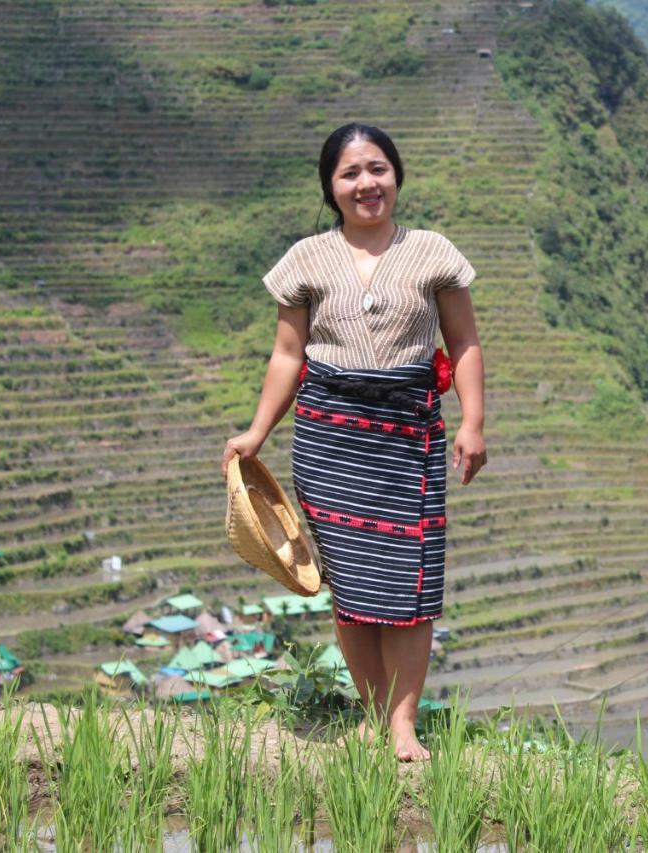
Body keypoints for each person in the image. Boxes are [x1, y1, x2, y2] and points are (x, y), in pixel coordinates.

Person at [222, 122, 486, 760]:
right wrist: (257, 432)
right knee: (355, 589)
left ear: (396, 175)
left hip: (407, 437)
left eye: (377, 169)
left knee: (411, 589)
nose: (366, 183)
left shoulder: (433, 253)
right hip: (329, 439)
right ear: (331, 187)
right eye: (350, 173)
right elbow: (288, 356)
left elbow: (465, 343)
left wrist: (474, 422)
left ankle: (403, 724)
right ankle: (372, 714)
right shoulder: (306, 260)